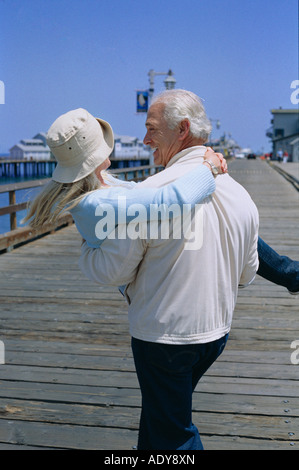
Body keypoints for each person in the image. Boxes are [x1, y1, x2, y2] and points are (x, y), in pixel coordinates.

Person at [78, 90, 260, 450]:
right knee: (161, 416)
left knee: (174, 435)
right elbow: (248, 274)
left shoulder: (153, 190)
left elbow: (113, 272)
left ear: (182, 130)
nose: (145, 140)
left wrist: (86, 245)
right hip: (215, 335)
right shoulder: (241, 195)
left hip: (164, 340)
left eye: (151, 129)